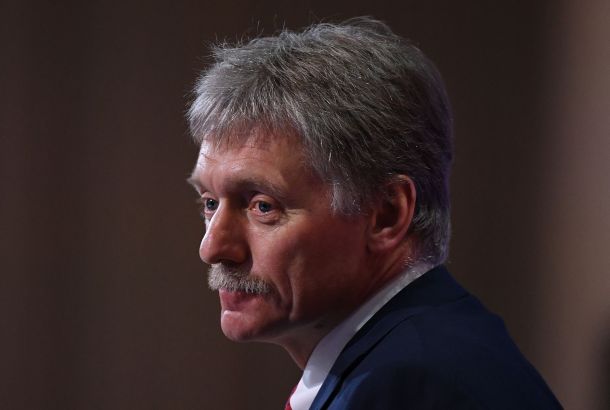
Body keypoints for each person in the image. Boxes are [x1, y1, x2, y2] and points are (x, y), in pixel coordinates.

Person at [186, 17, 561, 410]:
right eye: (210, 203)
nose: (212, 248)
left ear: (385, 215)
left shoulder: (409, 387)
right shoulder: (415, 353)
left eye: (263, 206)